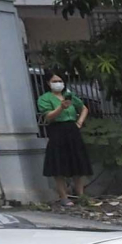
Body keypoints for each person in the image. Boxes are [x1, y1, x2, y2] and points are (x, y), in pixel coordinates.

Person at [36, 71, 92, 204]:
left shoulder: (69, 95)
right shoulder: (45, 98)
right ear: (48, 83)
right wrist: (61, 108)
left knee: (77, 162)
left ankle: (81, 195)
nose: (58, 84)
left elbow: (84, 108)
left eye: (60, 81)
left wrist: (79, 122)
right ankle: (63, 196)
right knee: (59, 164)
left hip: (72, 129)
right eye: (54, 81)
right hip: (57, 130)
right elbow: (48, 116)